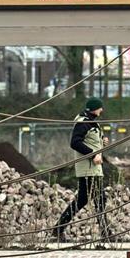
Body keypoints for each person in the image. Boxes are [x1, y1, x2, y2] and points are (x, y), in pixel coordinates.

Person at [53, 97, 112, 242]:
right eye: (100, 107)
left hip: (93, 169)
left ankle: (58, 230)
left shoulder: (91, 121)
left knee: (81, 201)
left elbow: (89, 139)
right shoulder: (83, 122)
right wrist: (92, 155)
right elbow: (75, 142)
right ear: (94, 109)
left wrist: (102, 140)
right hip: (89, 169)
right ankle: (106, 235)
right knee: (100, 200)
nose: (101, 110)